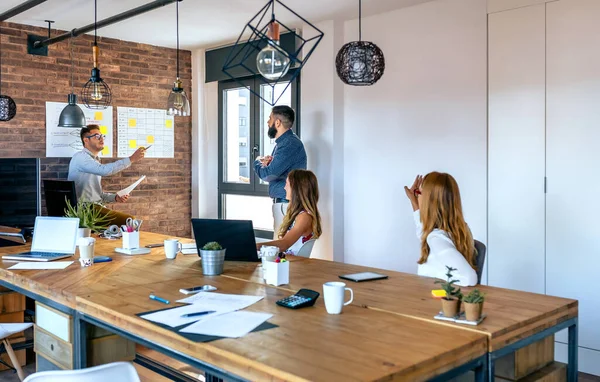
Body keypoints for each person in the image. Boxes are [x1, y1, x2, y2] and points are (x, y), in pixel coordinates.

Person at [404, 172, 478, 286]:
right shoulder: (458, 229)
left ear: (430, 201)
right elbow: (423, 232)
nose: (417, 196)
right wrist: (414, 202)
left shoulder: (436, 239)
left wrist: (437, 277)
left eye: (419, 193)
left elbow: (469, 278)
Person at [68, 125, 146, 227]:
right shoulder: (81, 158)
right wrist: (131, 159)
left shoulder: (94, 160)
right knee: (130, 221)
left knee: (126, 224)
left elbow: (97, 195)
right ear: (86, 140)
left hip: (94, 207)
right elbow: (104, 170)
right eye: (97, 136)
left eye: (102, 136)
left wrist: (115, 198)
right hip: (85, 209)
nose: (101, 138)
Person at [254, 105, 307, 239]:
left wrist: (257, 162)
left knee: (281, 245)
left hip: (286, 202)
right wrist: (270, 163)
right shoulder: (284, 143)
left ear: (277, 122)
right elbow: (278, 169)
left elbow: (268, 174)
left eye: (270, 118)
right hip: (284, 201)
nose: (268, 122)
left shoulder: (288, 143)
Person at [256, 169, 322, 256]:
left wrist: (255, 246)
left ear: (296, 188)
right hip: (286, 262)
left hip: (293, 266)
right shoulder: (297, 214)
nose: (284, 187)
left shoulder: (304, 217)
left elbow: (284, 244)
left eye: (287, 184)